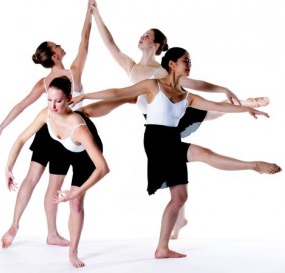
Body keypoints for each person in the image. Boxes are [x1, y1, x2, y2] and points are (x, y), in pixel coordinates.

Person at [78, 0, 270, 239]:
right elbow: (109, 44)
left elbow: (194, 84)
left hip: (170, 115)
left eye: (147, 35)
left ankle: (241, 105)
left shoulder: (163, 71)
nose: (142, 37)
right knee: (132, 104)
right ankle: (179, 218)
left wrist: (225, 91)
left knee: (207, 113)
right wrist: (95, 13)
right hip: (157, 123)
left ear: (156, 45)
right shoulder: (132, 67)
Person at [70, 47, 282, 259]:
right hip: (156, 140)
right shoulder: (153, 85)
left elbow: (218, 106)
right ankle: (254, 165)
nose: (189, 64)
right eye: (185, 60)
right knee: (205, 154)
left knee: (180, 196)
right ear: (171, 64)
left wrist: (246, 108)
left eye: (189, 60)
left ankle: (162, 248)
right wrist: (87, 95)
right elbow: (118, 93)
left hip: (171, 139)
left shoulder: (186, 96)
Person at [0, 0, 96, 248]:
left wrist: (0, 129)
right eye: (57, 45)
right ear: (55, 55)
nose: (61, 45)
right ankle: (50, 233)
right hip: (60, 132)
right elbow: (85, 40)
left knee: (32, 179)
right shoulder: (73, 71)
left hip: (55, 131)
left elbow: (21, 105)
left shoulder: (44, 82)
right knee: (53, 184)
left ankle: (17, 225)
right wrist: (90, 12)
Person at [6, 76, 110, 268]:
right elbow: (21, 139)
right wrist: (9, 168)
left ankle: (73, 251)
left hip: (85, 157)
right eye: (49, 100)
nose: (53, 106)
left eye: (59, 101)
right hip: (62, 146)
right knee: (52, 186)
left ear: (69, 98)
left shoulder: (78, 127)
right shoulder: (46, 113)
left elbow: (103, 168)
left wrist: (75, 192)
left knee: (76, 203)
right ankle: (48, 233)